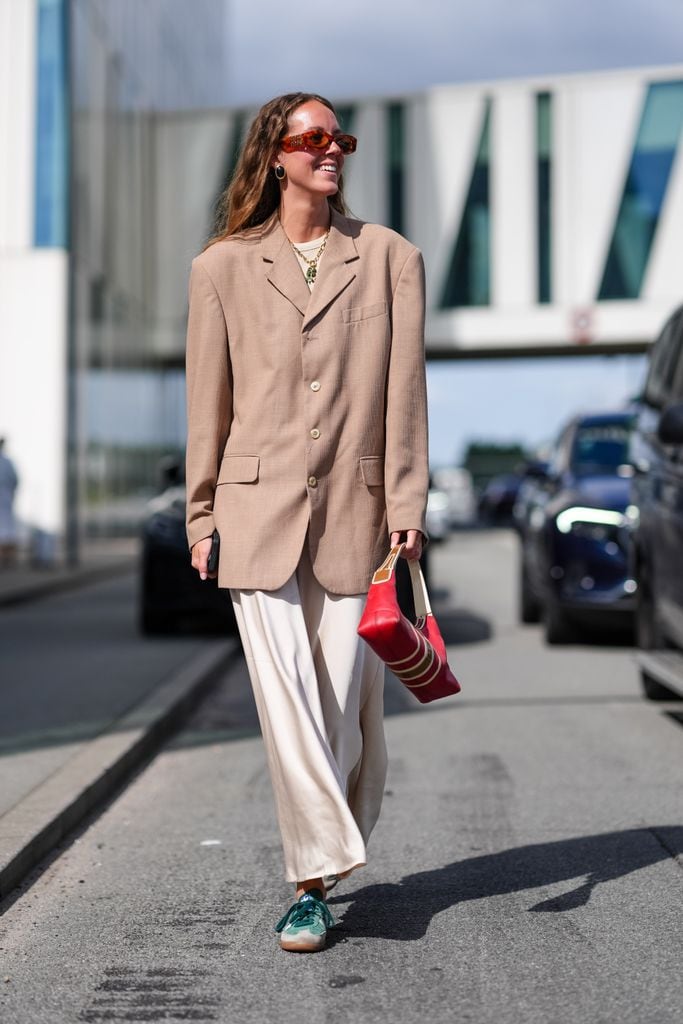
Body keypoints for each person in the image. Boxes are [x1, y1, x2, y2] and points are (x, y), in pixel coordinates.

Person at [185, 92, 428, 953]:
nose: (330, 152)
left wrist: (407, 503)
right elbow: (207, 403)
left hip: (357, 513)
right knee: (284, 698)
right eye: (312, 139)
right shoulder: (220, 268)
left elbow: (404, 395)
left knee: (338, 704)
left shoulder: (391, 257)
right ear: (275, 155)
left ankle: (322, 857)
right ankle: (310, 884)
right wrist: (200, 513)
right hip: (254, 510)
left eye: (339, 139)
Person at [0, 438, 19, 567]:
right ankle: (6, 559)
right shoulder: (7, 462)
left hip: (5, 499)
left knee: (6, 531)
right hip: (6, 498)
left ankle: (6, 559)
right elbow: (15, 481)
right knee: (7, 530)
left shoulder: (7, 462)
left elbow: (14, 481)